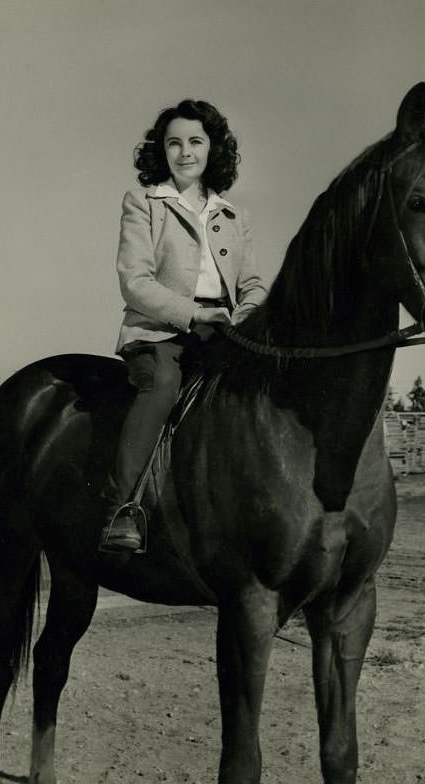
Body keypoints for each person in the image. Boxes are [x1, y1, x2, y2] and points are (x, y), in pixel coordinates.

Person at [99, 99, 266, 552]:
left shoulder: (234, 216)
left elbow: (252, 284)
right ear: (162, 151)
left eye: (195, 141)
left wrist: (245, 315)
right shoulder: (143, 202)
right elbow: (134, 282)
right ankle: (122, 509)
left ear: (214, 149)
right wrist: (195, 314)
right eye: (174, 143)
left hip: (225, 333)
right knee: (163, 387)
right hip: (160, 333)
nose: (185, 152)